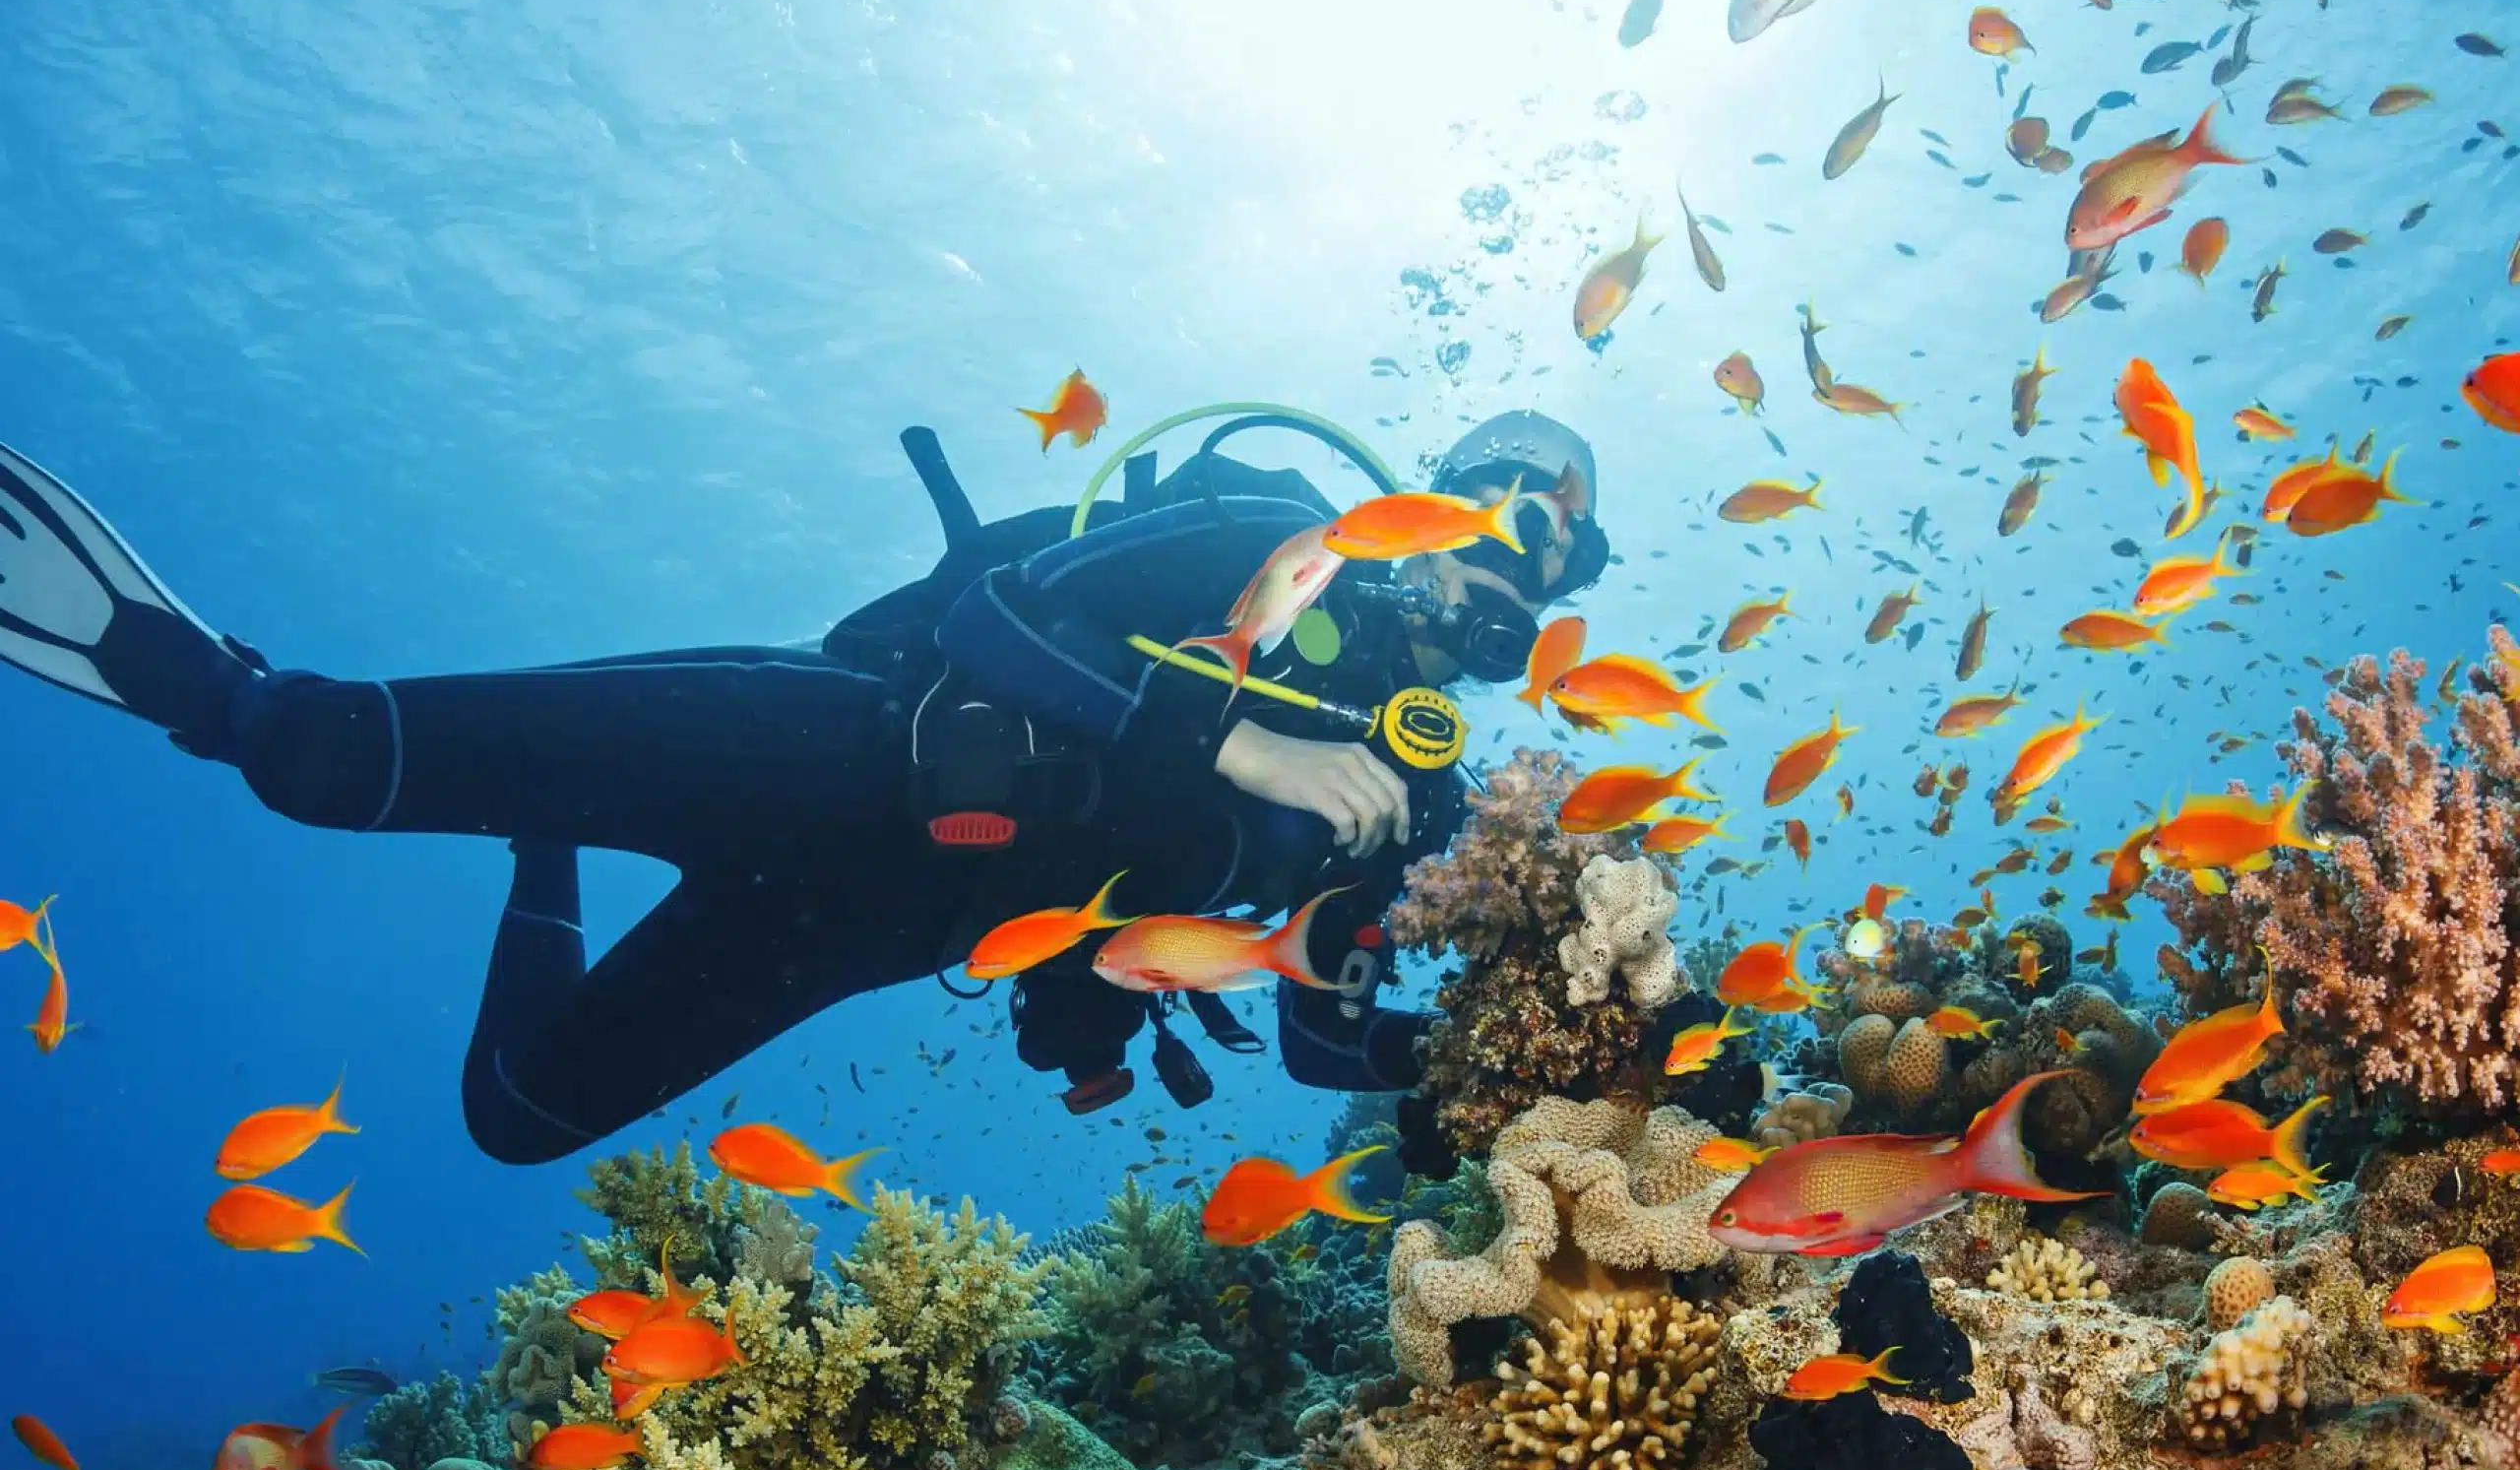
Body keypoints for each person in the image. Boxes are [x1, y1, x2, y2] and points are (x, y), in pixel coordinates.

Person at [0, 407, 1606, 1164]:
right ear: (1438, 502)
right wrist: (1240, 738)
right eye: (1512, 510)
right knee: (315, 754)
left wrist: (1499, 1066)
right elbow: (992, 614)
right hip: (842, 741)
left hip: (867, 929)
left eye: (1566, 549)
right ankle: (170, 663)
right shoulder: (1276, 529)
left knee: (515, 1117)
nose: (1525, 563)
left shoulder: (1429, 806)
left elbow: (1323, 1036)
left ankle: (543, 848)